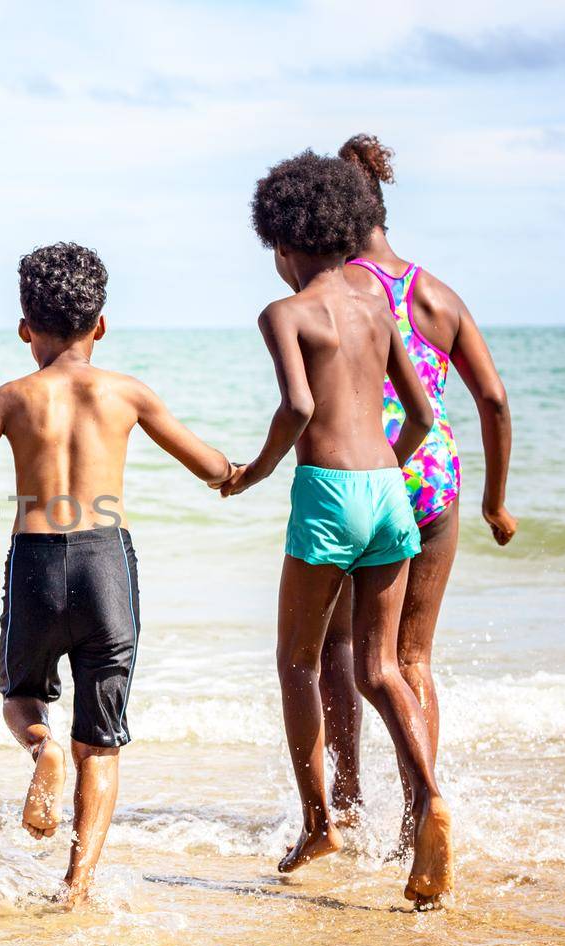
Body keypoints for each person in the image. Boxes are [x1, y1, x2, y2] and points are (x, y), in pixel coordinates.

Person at [0, 243, 234, 908]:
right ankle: (77, 883)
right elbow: (210, 466)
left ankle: (40, 752)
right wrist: (244, 470)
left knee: (21, 696)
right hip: (105, 563)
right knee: (101, 739)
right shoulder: (127, 393)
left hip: (35, 560)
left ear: (26, 328)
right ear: (102, 324)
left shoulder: (9, 398)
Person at [220, 150, 453, 906]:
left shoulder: (285, 313)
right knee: (381, 668)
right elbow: (421, 413)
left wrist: (254, 472)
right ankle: (431, 801)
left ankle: (320, 821)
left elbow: (297, 409)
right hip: (391, 487)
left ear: (284, 243)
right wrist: (387, 469)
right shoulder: (378, 305)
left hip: (327, 492)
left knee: (299, 661)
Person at [315, 135, 517, 837]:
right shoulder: (436, 293)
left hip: (365, 471)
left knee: (340, 647)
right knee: (411, 657)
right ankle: (419, 812)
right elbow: (492, 400)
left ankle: (344, 798)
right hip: (435, 476)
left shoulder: (342, 289)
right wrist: (494, 500)